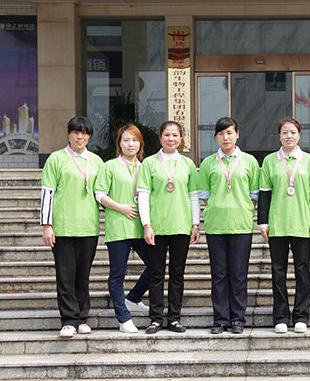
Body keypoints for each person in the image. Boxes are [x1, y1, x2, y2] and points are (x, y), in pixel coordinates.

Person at [40, 116, 104, 338]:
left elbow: (103, 193)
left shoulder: (96, 161)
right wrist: (47, 226)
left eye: (84, 133)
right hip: (63, 226)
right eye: (76, 132)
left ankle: (82, 318)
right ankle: (69, 320)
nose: (80, 136)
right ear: (69, 134)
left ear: (89, 136)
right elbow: (47, 193)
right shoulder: (56, 159)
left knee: (83, 276)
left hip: (88, 226)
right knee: (65, 276)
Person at [258, 117, 310, 334]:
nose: (289, 136)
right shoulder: (270, 161)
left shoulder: (309, 160)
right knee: (278, 273)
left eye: (293, 132)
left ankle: (301, 316)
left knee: (302, 271)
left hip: (302, 224)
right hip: (277, 224)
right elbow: (264, 194)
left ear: (299, 135)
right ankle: (281, 317)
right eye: (285, 132)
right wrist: (263, 222)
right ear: (279, 136)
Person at [137, 121, 200, 334]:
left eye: (175, 135)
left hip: (181, 226)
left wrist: (195, 224)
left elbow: (194, 196)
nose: (171, 139)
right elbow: (143, 196)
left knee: (177, 274)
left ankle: (174, 318)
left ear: (181, 139)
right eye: (167, 135)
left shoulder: (188, 164)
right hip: (157, 227)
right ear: (160, 137)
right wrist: (147, 225)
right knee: (156, 274)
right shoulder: (149, 163)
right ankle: (156, 319)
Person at [199, 117, 260, 335]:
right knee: (219, 275)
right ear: (216, 137)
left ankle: (237, 319)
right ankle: (220, 319)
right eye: (221, 134)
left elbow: (255, 194)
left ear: (237, 134)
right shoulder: (208, 163)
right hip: (215, 225)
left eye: (229, 132)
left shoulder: (249, 161)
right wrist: (219, 206)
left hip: (241, 225)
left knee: (238, 275)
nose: (226, 137)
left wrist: (241, 207)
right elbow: (205, 195)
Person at [94, 124, 150, 334]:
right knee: (117, 274)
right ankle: (123, 318)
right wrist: (121, 207)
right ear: (119, 143)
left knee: (155, 266)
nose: (130, 144)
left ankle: (134, 297)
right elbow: (100, 194)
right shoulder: (110, 166)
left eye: (134, 140)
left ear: (140, 144)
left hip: (141, 228)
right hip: (119, 227)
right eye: (126, 140)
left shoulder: (145, 167)